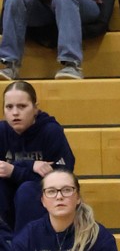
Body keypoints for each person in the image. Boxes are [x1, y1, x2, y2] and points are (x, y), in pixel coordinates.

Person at [0, 80, 75, 234]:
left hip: (44, 197)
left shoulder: (50, 131)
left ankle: (22, 248)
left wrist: (15, 171)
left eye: (22, 106)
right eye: (9, 107)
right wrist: (31, 165)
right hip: (9, 198)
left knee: (26, 191)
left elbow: (64, 176)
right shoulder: (1, 131)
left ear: (35, 109)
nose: (15, 113)